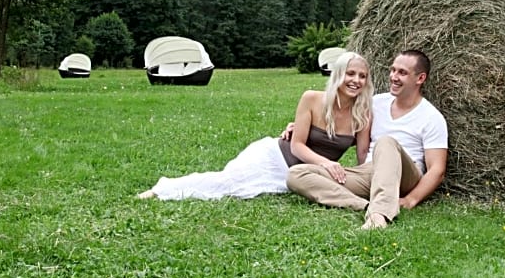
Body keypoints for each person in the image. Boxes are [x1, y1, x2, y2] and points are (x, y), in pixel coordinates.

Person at [137, 52, 373, 201]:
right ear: (338, 75)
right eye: (350, 74)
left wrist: (370, 182)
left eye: (362, 76)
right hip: (275, 157)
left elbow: (362, 155)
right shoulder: (312, 98)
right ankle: (163, 189)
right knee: (228, 183)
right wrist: (327, 163)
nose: (356, 81)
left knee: (246, 190)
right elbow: (298, 146)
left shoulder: (363, 114)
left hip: (306, 174)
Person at [285, 50, 448, 230]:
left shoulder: (431, 117)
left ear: (420, 78)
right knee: (296, 174)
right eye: (392, 70)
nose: (394, 77)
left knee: (386, 142)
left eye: (402, 73)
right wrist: (299, 126)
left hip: (405, 175)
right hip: (369, 173)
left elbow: (437, 170)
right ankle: (364, 205)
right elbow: (343, 122)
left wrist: (411, 199)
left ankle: (379, 216)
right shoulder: (375, 103)